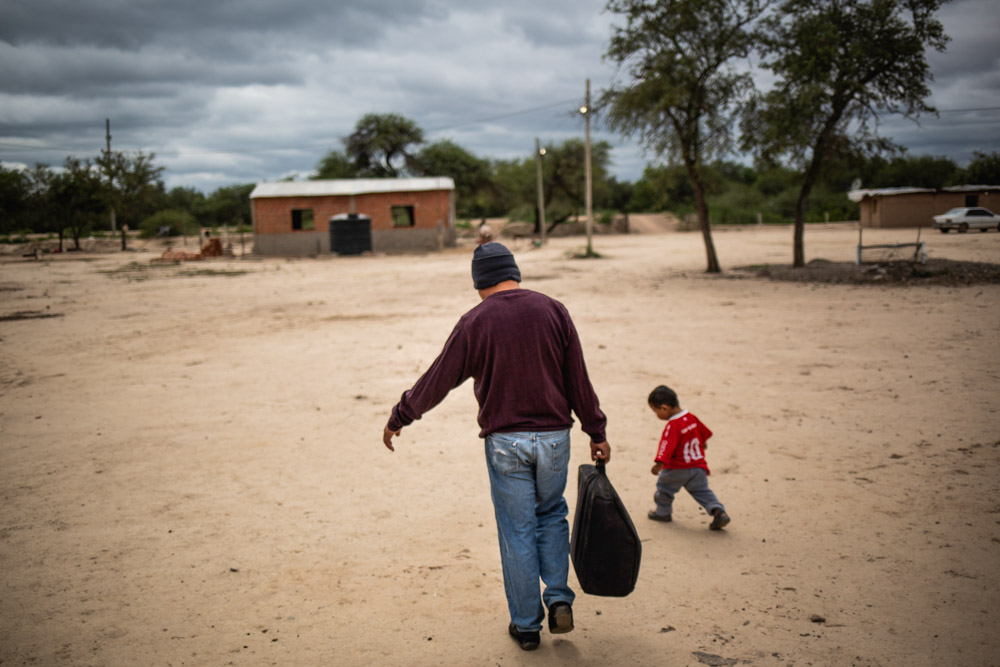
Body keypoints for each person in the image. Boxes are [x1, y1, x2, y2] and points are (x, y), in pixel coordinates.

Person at [382, 242, 611, 651]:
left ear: (478, 283)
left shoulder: (475, 322)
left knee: (517, 531)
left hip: (506, 442)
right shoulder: (553, 309)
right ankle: (558, 597)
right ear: (515, 272)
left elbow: (439, 379)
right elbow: (578, 377)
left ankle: (526, 626)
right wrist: (596, 431)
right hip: (555, 438)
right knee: (553, 515)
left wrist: (402, 415)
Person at [646, 385, 731, 530]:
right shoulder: (691, 417)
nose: (656, 415)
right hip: (698, 467)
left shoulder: (673, 425)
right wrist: (702, 444)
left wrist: (659, 464)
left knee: (664, 489)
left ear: (664, 408)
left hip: (677, 469)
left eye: (655, 411)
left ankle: (662, 513)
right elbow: (702, 434)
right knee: (702, 491)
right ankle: (719, 512)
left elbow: (666, 445)